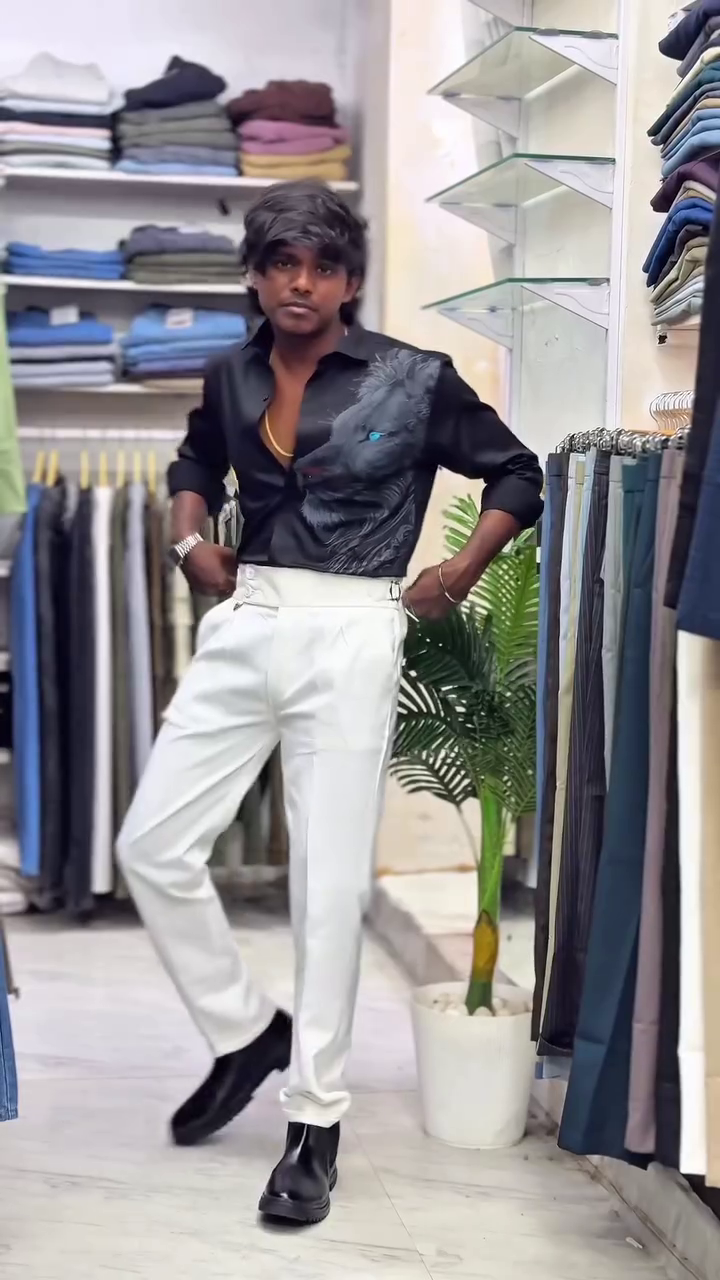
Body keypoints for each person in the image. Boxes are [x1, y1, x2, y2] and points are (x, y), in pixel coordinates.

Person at [116, 180, 543, 1224]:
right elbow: (192, 459)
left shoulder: (413, 376)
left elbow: (518, 474)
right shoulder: (231, 373)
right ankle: (244, 1031)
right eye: (281, 265)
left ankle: (315, 1120)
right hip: (246, 617)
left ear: (349, 280)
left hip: (354, 627)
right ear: (256, 276)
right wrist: (187, 538)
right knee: (151, 845)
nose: (299, 283)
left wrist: (458, 573)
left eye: (321, 266)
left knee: (326, 884)